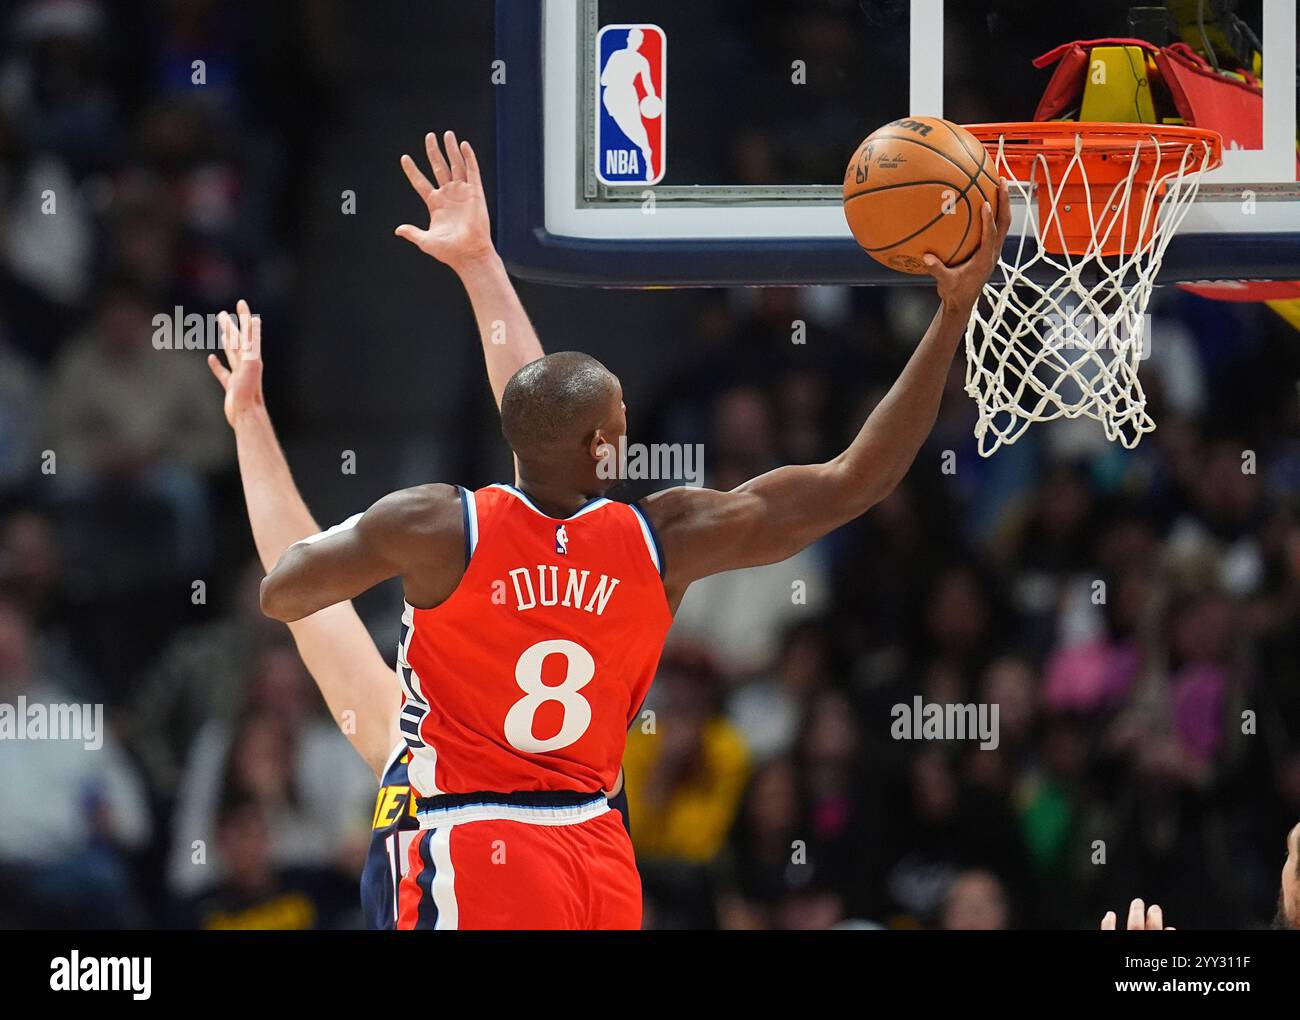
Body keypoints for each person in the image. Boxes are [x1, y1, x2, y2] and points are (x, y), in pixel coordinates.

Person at [259, 134, 1013, 929]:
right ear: (599, 448)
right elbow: (859, 479)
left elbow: (284, 594)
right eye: (617, 422)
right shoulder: (663, 539)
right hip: (596, 844)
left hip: (471, 837)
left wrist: (362, 547)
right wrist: (952, 317)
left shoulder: (439, 524)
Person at [206, 132, 629, 928]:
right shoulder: (420, 754)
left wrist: (481, 266)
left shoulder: (538, 769)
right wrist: (251, 425)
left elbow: (552, 455)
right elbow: (316, 611)